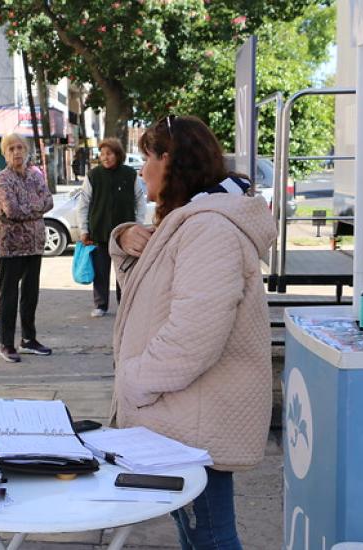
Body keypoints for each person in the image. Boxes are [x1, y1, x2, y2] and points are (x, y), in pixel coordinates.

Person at [109, 115, 276, 549]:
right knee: (200, 534)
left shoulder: (208, 228)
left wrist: (136, 381)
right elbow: (146, 295)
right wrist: (123, 237)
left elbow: (194, 334)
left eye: (148, 157)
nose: (142, 169)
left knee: (211, 539)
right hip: (184, 412)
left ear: (171, 162)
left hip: (194, 417)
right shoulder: (191, 218)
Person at [0, 133, 54, 363]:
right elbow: (12, 210)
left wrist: (30, 207)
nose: (17, 152)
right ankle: (6, 343)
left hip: (35, 244)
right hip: (11, 246)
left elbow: (49, 201)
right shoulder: (3, 179)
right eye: (11, 148)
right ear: (5, 153)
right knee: (9, 295)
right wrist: (36, 208)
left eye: (20, 147)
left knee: (31, 295)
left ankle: (29, 339)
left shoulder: (36, 175)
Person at [77, 138, 146, 317]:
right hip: (99, 232)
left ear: (118, 155)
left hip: (125, 234)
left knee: (124, 270)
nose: (105, 157)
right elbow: (83, 204)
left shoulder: (130, 174)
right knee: (100, 270)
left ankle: (125, 303)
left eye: (109, 153)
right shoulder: (93, 176)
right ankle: (100, 304)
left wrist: (137, 225)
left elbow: (140, 201)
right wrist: (84, 230)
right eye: (102, 154)